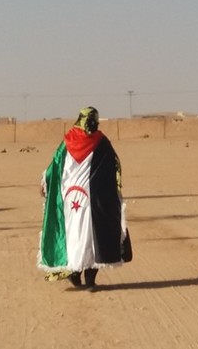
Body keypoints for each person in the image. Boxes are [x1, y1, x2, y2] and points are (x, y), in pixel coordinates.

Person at [38, 106, 132, 290]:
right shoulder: (101, 142)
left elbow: (53, 168)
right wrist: (115, 190)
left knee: (75, 235)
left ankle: (76, 273)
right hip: (93, 200)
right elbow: (115, 166)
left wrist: (45, 184)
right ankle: (87, 278)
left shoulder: (68, 141)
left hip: (71, 200)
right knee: (92, 237)